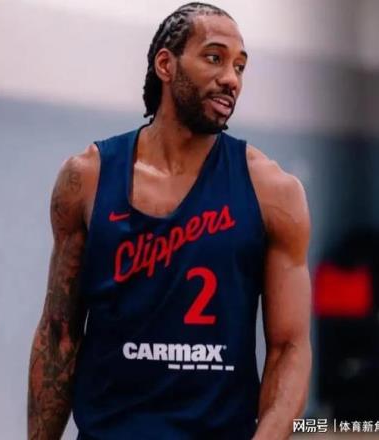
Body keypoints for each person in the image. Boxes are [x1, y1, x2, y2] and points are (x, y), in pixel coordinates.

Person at [28, 2, 311, 439]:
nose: (231, 78)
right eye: (214, 58)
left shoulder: (274, 191)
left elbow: (289, 347)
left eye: (239, 66)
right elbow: (59, 332)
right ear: (166, 64)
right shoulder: (87, 179)